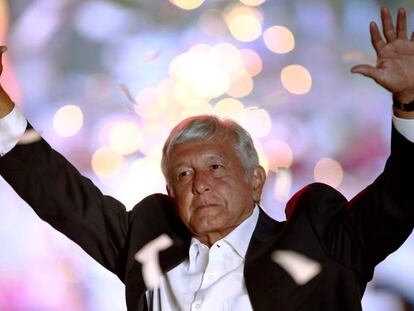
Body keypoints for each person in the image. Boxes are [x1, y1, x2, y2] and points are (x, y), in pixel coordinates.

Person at [0, 6, 414, 311]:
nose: (199, 183)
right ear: (170, 192)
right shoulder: (147, 244)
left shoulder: (320, 239)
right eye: (183, 174)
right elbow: (56, 190)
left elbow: (400, 199)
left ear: (255, 179)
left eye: (216, 167)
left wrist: (409, 102)